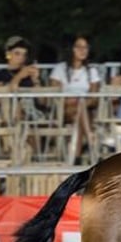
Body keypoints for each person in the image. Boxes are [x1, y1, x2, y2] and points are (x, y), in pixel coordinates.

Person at [49, 35, 101, 163]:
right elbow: (54, 95)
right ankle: (91, 144)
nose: (83, 50)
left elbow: (94, 98)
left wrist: (80, 102)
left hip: (84, 109)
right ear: (71, 49)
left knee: (80, 111)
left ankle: (75, 157)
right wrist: (71, 101)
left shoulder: (92, 70)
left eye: (86, 47)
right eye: (79, 47)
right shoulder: (60, 69)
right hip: (64, 109)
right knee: (80, 109)